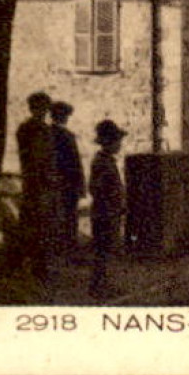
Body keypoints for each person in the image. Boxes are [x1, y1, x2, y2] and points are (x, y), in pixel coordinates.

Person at [14, 92, 57, 282]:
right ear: (33, 108)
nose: (44, 112)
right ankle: (31, 266)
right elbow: (36, 159)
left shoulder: (42, 129)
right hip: (36, 184)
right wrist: (45, 180)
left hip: (42, 184)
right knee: (34, 226)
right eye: (40, 108)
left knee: (41, 226)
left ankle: (38, 266)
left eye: (45, 108)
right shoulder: (29, 130)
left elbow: (49, 159)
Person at [88, 120, 127, 299]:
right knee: (102, 251)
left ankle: (103, 285)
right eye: (116, 140)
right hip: (104, 214)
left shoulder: (106, 161)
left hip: (108, 213)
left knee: (105, 250)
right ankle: (99, 288)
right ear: (108, 142)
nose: (119, 144)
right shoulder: (101, 162)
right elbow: (97, 189)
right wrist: (111, 207)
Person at [50, 101, 84, 253]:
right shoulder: (66, 135)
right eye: (64, 115)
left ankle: (60, 245)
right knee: (69, 216)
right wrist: (80, 184)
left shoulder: (48, 134)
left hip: (57, 182)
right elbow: (75, 163)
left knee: (58, 214)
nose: (65, 118)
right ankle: (69, 247)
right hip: (68, 182)